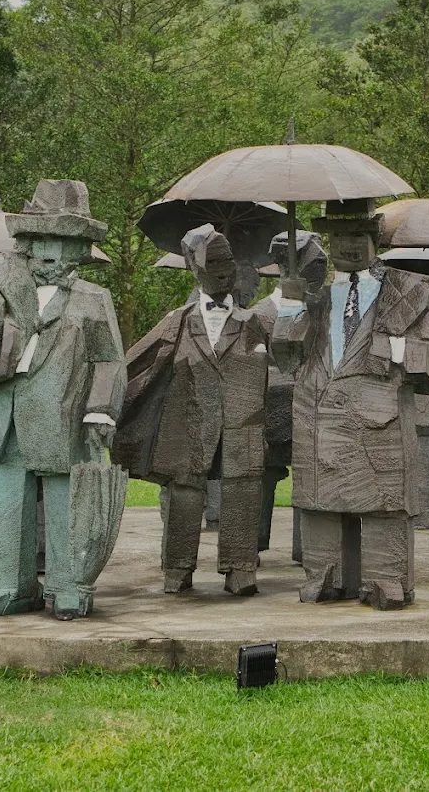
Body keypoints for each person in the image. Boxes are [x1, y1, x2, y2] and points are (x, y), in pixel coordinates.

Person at [0, 179, 126, 620]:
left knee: (64, 502)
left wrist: (101, 410)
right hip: (2, 413)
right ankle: (9, 586)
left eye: (63, 244)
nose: (51, 255)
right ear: (26, 242)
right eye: (42, 241)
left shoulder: (94, 300)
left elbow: (110, 361)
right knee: (4, 502)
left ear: (80, 250)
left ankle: (66, 585)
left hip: (63, 416)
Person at [273, 199, 429, 611]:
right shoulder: (314, 298)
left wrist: (384, 346)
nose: (348, 246)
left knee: (384, 505)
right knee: (320, 504)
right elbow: (285, 358)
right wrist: (289, 302)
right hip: (318, 414)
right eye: (338, 237)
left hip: (379, 415)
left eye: (357, 236)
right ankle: (323, 574)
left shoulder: (413, 291)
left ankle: (386, 579)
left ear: (375, 239)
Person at [113, 224, 270, 595]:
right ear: (194, 270)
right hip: (187, 426)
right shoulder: (177, 322)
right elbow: (133, 366)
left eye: (227, 263)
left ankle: (239, 567)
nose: (222, 272)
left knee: (243, 491)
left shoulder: (255, 324)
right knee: (185, 494)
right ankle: (177, 567)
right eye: (212, 264)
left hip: (241, 426)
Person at [249, 231, 329, 557]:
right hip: (270, 411)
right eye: (315, 263)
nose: (321, 271)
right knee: (261, 480)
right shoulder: (259, 315)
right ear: (287, 264)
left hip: (315, 410)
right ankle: (251, 542)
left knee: (311, 477)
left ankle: (307, 548)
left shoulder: (322, 311)